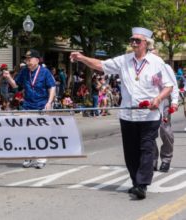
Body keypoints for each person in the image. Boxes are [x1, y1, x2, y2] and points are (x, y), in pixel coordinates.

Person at [70, 27, 173, 200]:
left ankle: (142, 185)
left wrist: (158, 99)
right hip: (128, 115)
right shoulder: (124, 60)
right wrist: (82, 58)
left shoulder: (157, 63)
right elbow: (101, 65)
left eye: (137, 41)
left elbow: (168, 86)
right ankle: (135, 182)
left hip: (149, 116)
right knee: (131, 152)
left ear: (146, 44)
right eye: (131, 40)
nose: (133, 43)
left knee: (147, 148)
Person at [3, 49, 56, 169]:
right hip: (27, 106)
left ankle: (41, 158)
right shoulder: (24, 71)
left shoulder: (45, 72)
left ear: (37, 60)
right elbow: (16, 86)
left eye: (29, 59)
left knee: (41, 133)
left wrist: (49, 102)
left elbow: (52, 87)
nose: (27, 62)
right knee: (26, 132)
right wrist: (8, 77)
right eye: (26, 59)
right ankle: (29, 156)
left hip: (41, 106)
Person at [150, 48, 179, 172]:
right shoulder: (144, 67)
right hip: (149, 103)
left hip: (164, 102)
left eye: (154, 53)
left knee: (165, 130)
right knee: (149, 133)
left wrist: (174, 101)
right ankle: (152, 160)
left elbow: (173, 85)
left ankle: (166, 159)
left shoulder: (164, 66)